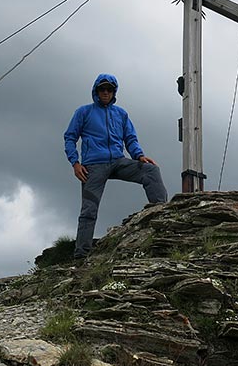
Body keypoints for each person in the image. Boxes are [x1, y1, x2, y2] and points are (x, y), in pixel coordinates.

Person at [64, 73, 168, 258]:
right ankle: (81, 255)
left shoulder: (120, 113)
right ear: (96, 91)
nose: (105, 92)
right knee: (89, 209)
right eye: (102, 89)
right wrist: (75, 163)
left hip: (118, 161)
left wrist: (139, 155)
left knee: (151, 170)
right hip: (93, 165)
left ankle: (162, 220)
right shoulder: (84, 112)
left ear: (114, 92)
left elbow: (130, 138)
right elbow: (70, 137)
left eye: (109, 89)